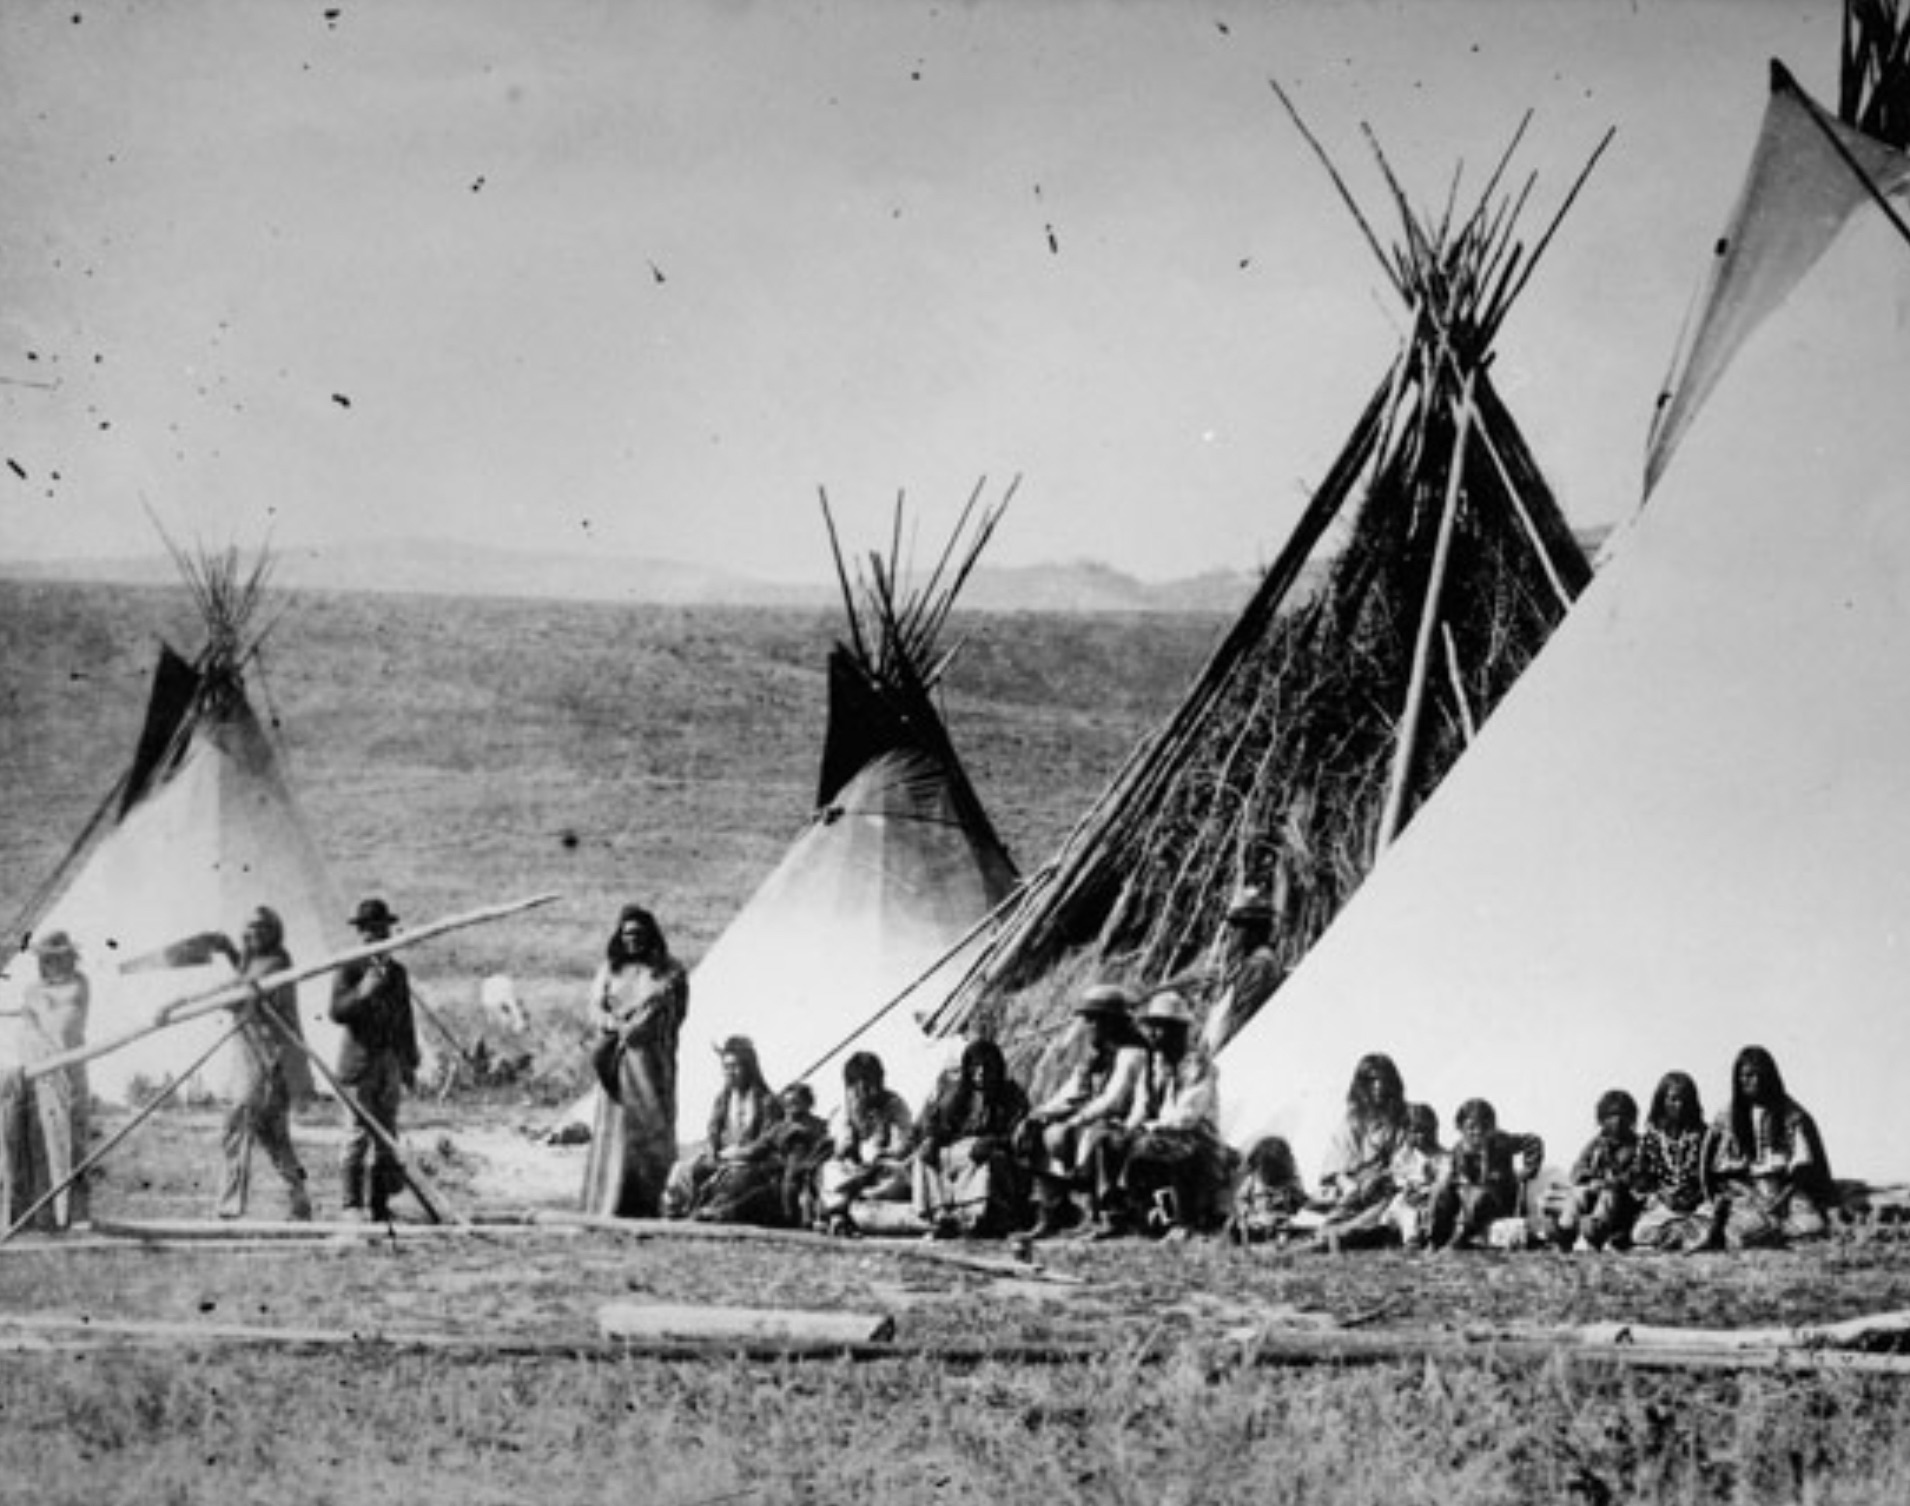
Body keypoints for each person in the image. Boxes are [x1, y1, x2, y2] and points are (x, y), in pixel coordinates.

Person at [580, 904, 689, 1220]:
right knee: (617, 1131)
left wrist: (646, 1026)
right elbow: (595, 1008)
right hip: (616, 1062)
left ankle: (653, 1200)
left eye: (639, 934)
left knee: (651, 1127)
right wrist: (611, 1025)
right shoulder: (610, 971)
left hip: (651, 1062)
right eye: (627, 934)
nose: (633, 940)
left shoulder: (669, 972)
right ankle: (613, 1198)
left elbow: (677, 1013)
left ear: (651, 936)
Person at [1014, 982, 1148, 1239]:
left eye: (1092, 1021)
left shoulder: (1132, 1053)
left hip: (1126, 1122)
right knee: (1041, 1132)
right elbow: (1071, 1093)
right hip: (1093, 1119)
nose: (1087, 1027)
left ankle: (1108, 1216)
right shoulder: (1094, 1057)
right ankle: (1051, 1212)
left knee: (1087, 1138)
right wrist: (1038, 1115)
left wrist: (1078, 1119)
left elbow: (1114, 1100)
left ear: (1109, 1022)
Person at [213, 907, 313, 1221]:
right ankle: (299, 1200)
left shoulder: (275, 963)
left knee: (237, 1128)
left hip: (263, 1063)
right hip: (257, 1058)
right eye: (250, 931)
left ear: (273, 933)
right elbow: (244, 978)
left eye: (261, 930)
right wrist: (230, 952)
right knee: (275, 1139)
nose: (254, 936)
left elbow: (237, 994)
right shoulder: (259, 962)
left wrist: (177, 1002)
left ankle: (229, 1209)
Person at [1110, 990, 1231, 1240]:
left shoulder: (1199, 1067)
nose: (1152, 1034)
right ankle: (1138, 1214)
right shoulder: (1156, 1065)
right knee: (1121, 1143)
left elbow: (1187, 1116)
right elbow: (1141, 1106)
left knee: (1163, 1148)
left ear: (1179, 1031)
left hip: (1200, 1143)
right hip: (1165, 1136)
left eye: (1160, 1028)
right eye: (1150, 1028)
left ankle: (1185, 1220)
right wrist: (1127, 1129)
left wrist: (1150, 1128)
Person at [329, 897, 421, 1222]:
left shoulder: (396, 973)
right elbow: (337, 1012)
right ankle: (351, 1206)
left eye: (379, 929)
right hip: (358, 1063)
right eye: (368, 930)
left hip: (389, 1063)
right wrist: (362, 993)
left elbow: (405, 1019)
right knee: (356, 1134)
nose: (374, 936)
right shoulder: (350, 968)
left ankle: (380, 1206)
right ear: (360, 933)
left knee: (387, 1134)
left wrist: (410, 1062)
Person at [1702, 1044, 1834, 1249]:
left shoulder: (1792, 1115)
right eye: (1745, 1075)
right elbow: (1719, 1172)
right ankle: (1766, 1231)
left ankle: (1774, 1231)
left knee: (1813, 1227)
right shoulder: (1726, 1117)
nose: (1752, 1081)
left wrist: (1781, 1200)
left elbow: (1803, 1170)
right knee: (1743, 1235)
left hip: (1785, 1190)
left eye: (1758, 1075)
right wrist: (1749, 1194)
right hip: (1746, 1193)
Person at [2, 931, 92, 1230]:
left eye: (56, 958)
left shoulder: (78, 985)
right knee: (41, 1142)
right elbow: (28, 1028)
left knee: (74, 1142)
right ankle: (47, 1213)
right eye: (46, 959)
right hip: (43, 1075)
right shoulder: (33, 992)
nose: (50, 964)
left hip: (71, 1070)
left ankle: (76, 1212)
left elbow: (63, 1018)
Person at [913, 1038, 1031, 1238]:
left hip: (994, 1152)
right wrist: (931, 1139)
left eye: (987, 1067)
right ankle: (939, 1215)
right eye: (975, 1067)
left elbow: (1018, 1133)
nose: (981, 1073)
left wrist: (994, 1141)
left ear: (997, 1068)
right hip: (958, 1149)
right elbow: (936, 1124)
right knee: (923, 1158)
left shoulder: (1011, 1094)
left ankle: (975, 1216)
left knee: (989, 1162)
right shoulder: (957, 1094)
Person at [662, 1036, 782, 1221]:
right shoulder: (723, 1098)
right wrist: (713, 1150)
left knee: (738, 1178)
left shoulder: (767, 1101)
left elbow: (768, 1139)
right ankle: (676, 1209)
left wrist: (742, 1152)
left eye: (735, 1067)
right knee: (682, 1169)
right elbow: (713, 1129)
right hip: (722, 1157)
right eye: (726, 1067)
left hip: (754, 1163)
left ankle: (715, 1210)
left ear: (749, 1068)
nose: (730, 1072)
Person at [1307, 1053, 1415, 1250]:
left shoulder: (1405, 1118)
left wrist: (1382, 1177)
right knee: (1335, 1216)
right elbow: (1338, 1160)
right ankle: (1339, 1233)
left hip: (1387, 1188)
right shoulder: (1353, 1119)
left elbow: (1406, 1161)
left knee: (1377, 1213)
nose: (1378, 1086)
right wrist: (1348, 1184)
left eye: (1383, 1080)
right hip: (1356, 1188)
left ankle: (1348, 1234)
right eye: (1372, 1080)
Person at [815, 1052, 915, 1234]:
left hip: (883, 1169)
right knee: (830, 1170)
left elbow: (901, 1144)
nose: (867, 1090)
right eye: (858, 1084)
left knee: (896, 1177)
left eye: (871, 1082)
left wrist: (880, 1153)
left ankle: (842, 1209)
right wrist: (848, 1147)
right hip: (855, 1171)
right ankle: (840, 1214)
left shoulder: (895, 1104)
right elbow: (840, 1145)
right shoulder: (846, 1107)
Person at [1428, 1097, 1544, 1251]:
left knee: (1478, 1195)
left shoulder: (1501, 1142)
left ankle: (1461, 1238)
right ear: (1460, 1128)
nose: (1478, 1132)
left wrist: (1528, 1170)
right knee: (1440, 1189)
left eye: (1485, 1127)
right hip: (1468, 1203)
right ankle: (1436, 1240)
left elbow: (1533, 1141)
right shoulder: (1459, 1150)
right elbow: (1457, 1184)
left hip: (1497, 1203)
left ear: (1492, 1127)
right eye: (1471, 1127)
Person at [1542, 1089, 1640, 1252]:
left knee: (1608, 1197)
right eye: (1611, 1115)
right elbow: (1577, 1170)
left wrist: (1613, 1182)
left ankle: (1594, 1231)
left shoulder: (1638, 1146)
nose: (1617, 1120)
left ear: (1631, 1118)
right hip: (1591, 1196)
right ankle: (1565, 1229)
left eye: (1622, 1114)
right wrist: (1590, 1179)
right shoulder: (1596, 1144)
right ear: (1602, 1119)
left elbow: (1638, 1177)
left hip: (1621, 1203)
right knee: (1573, 1194)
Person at [1630, 1070, 1716, 1253]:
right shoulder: (1650, 1139)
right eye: (1674, 1099)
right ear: (1661, 1102)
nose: (1680, 1105)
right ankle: (1678, 1234)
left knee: (1710, 1222)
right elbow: (1640, 1182)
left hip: (1698, 1207)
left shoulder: (1705, 1136)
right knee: (1640, 1233)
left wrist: (1694, 1196)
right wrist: (1660, 1195)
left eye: (1686, 1100)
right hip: (1664, 1209)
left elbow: (1715, 1178)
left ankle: (1682, 1234)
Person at [1201, 886, 1284, 1055]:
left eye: (1237, 926)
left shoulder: (1259, 966)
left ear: (1254, 930)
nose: (1232, 933)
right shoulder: (1252, 963)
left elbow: (1241, 1022)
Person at [768, 1083, 832, 1229]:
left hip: (813, 1169)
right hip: (784, 1172)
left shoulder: (821, 1126)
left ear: (808, 1104)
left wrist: (811, 1162)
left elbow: (828, 1145)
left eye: (795, 1103)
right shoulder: (778, 1128)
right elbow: (759, 1147)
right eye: (787, 1104)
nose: (791, 1108)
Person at [1384, 1102, 1447, 1249]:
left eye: (1426, 1130)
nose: (1422, 1136)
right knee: (1403, 1209)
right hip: (1408, 1196)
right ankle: (1404, 1235)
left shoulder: (1442, 1156)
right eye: (1416, 1131)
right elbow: (1398, 1175)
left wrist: (1427, 1190)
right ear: (1406, 1132)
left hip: (1430, 1199)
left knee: (1426, 1213)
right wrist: (1406, 1187)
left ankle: (1417, 1237)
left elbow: (1444, 1180)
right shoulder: (1403, 1156)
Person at [1230, 1136, 1308, 1246]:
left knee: (1285, 1229)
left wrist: (1299, 1204)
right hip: (1256, 1221)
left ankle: (1281, 1242)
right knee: (1239, 1226)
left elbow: (1301, 1201)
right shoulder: (1252, 1182)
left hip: (1281, 1221)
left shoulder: (1290, 1182)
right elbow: (1240, 1201)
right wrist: (1248, 1215)